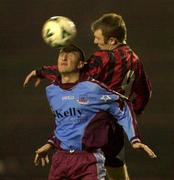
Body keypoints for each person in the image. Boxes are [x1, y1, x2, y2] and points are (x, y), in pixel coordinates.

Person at [23, 13, 152, 179]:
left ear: (112, 41)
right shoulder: (136, 61)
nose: (95, 42)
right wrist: (133, 114)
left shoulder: (104, 57)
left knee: (87, 164)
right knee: (117, 171)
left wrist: (41, 72)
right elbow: (145, 92)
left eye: (98, 38)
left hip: (95, 124)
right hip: (116, 126)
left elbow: (76, 72)